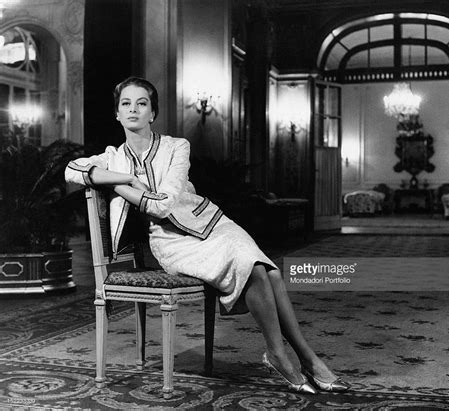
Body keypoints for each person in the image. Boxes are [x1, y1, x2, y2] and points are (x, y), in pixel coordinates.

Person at [65, 76, 349, 394]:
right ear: (117, 113)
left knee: (269, 271)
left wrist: (119, 186)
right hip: (171, 243)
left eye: (141, 103)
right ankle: (281, 356)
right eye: (126, 104)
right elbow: (72, 170)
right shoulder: (112, 157)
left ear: (152, 113)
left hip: (213, 224)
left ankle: (304, 357)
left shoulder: (176, 147)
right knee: (255, 267)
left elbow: (165, 202)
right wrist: (124, 178)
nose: (133, 109)